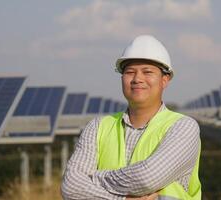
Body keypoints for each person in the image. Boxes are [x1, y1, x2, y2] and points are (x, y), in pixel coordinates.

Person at [61, 35, 201, 200]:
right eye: (130, 72)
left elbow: (148, 178)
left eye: (147, 72)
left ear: (165, 79)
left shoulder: (183, 127)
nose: (137, 79)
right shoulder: (98, 127)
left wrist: (94, 178)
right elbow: (70, 187)